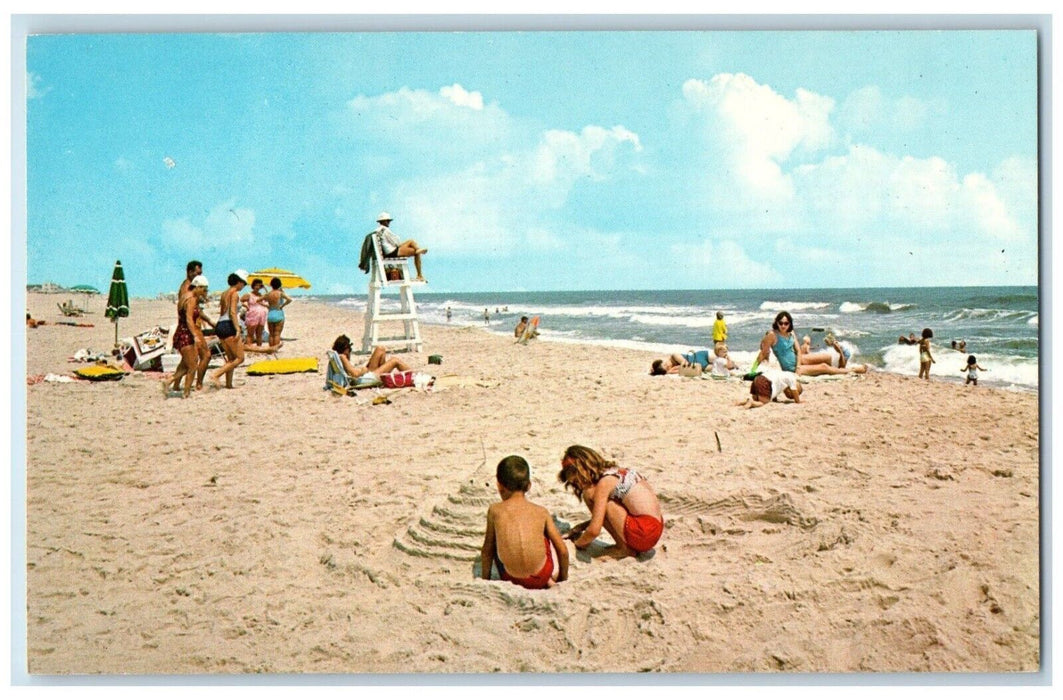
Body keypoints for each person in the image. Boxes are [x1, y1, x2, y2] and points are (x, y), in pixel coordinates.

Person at [558, 445, 664, 558]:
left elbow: (594, 531)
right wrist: (581, 527)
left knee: (590, 494)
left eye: (577, 480)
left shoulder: (604, 483)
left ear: (583, 470)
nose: (578, 485)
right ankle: (626, 545)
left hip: (643, 533)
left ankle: (623, 549)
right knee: (604, 503)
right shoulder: (616, 472)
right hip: (655, 528)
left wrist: (577, 544)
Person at [480, 455, 569, 590]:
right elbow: (562, 551)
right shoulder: (542, 511)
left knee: (497, 539)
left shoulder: (494, 510)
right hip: (542, 576)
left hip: (511, 579)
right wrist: (563, 577)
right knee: (542, 535)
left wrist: (485, 580)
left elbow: (487, 551)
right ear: (528, 486)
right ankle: (548, 581)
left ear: (499, 485)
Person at [757, 311, 863, 377]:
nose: (783, 326)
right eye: (781, 323)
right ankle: (851, 370)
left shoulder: (791, 333)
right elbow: (763, 352)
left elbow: (798, 351)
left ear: (790, 323)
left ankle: (839, 368)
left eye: (786, 323)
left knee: (827, 357)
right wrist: (752, 370)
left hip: (798, 360)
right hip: (790, 367)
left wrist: (798, 365)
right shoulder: (772, 335)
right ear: (777, 323)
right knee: (824, 367)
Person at [168, 274, 209, 398]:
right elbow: (189, 319)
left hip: (181, 332)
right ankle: (186, 392)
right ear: (197, 287)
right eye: (204, 289)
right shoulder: (191, 299)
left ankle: (171, 383)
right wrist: (195, 336)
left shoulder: (185, 297)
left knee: (185, 363)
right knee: (192, 366)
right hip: (186, 333)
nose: (205, 292)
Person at [209, 271, 248, 389]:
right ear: (239, 282)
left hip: (220, 324)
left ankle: (229, 384)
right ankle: (216, 375)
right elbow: (232, 313)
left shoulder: (224, 293)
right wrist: (237, 329)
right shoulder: (235, 293)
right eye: (244, 284)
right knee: (240, 358)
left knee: (230, 359)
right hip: (228, 324)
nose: (243, 286)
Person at [331, 334, 411, 384]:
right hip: (366, 378)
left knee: (380, 349)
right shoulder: (342, 357)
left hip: (366, 375)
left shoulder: (339, 357)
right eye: (349, 349)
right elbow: (355, 375)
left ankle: (384, 376)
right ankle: (415, 376)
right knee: (394, 360)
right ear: (345, 349)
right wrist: (363, 370)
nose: (350, 352)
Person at [375, 212, 427, 282]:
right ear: (384, 221)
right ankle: (419, 275)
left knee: (411, 242)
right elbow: (397, 242)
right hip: (392, 252)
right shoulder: (385, 230)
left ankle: (418, 249)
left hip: (388, 251)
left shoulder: (377, 230)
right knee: (415, 251)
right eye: (388, 221)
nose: (389, 222)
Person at [737, 370, 802, 409]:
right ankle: (751, 403)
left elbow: (775, 386)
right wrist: (798, 401)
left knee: (756, 399)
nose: (790, 396)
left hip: (758, 378)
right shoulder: (792, 378)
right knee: (763, 402)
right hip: (765, 381)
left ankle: (743, 402)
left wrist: (775, 399)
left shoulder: (783, 376)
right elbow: (794, 390)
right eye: (791, 396)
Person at [263, 277, 292, 348]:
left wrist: (266, 305)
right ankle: (275, 348)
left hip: (270, 314)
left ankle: (271, 348)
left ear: (271, 285)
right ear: (279, 285)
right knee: (277, 334)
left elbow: (258, 300)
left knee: (271, 334)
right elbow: (289, 299)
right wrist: (282, 306)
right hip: (278, 313)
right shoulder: (280, 293)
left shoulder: (268, 294)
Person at [241, 278, 270, 346]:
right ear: (253, 286)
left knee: (259, 334)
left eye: (259, 285)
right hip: (252, 316)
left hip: (261, 316)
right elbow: (239, 301)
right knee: (250, 334)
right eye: (256, 285)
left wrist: (265, 288)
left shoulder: (261, 295)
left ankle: (259, 348)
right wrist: (246, 306)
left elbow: (268, 296)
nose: (257, 287)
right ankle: (250, 348)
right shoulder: (249, 294)